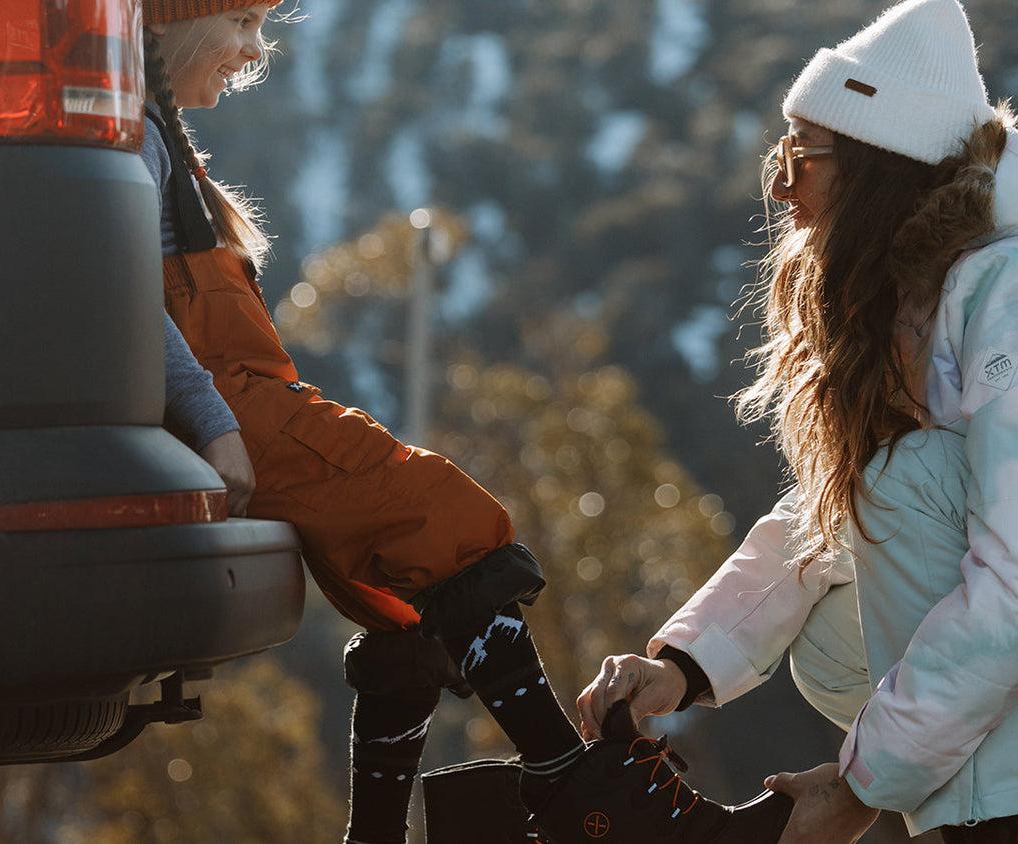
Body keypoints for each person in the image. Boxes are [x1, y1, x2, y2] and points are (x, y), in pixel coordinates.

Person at [577, 0, 1018, 842]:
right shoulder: (936, 301)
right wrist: (681, 667)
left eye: (800, 157)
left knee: (912, 489)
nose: (778, 185)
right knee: (841, 646)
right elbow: (833, 523)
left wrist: (860, 786)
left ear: (880, 171)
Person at [137, 2, 789, 842]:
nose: (254, 53)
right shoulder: (140, 141)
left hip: (241, 402)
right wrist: (209, 417)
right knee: (442, 517)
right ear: (173, 22)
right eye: (243, 23)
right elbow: (112, 293)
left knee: (409, 610)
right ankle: (578, 789)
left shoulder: (157, 136)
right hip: (232, 407)